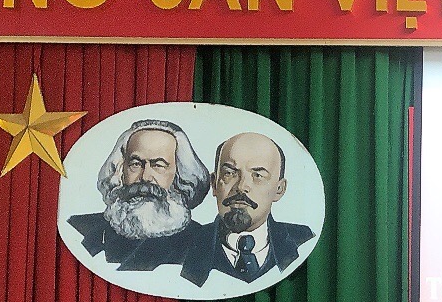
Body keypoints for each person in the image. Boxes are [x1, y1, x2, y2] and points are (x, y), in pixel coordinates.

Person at [67, 119, 210, 270]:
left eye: (158, 165)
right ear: (121, 170)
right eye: (136, 164)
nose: (145, 177)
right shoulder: (80, 230)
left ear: (180, 175)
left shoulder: (202, 243)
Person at [181, 132, 315, 287]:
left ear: (279, 189)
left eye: (257, 175)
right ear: (214, 184)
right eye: (230, 173)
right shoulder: (183, 248)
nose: (241, 186)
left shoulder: (303, 241)